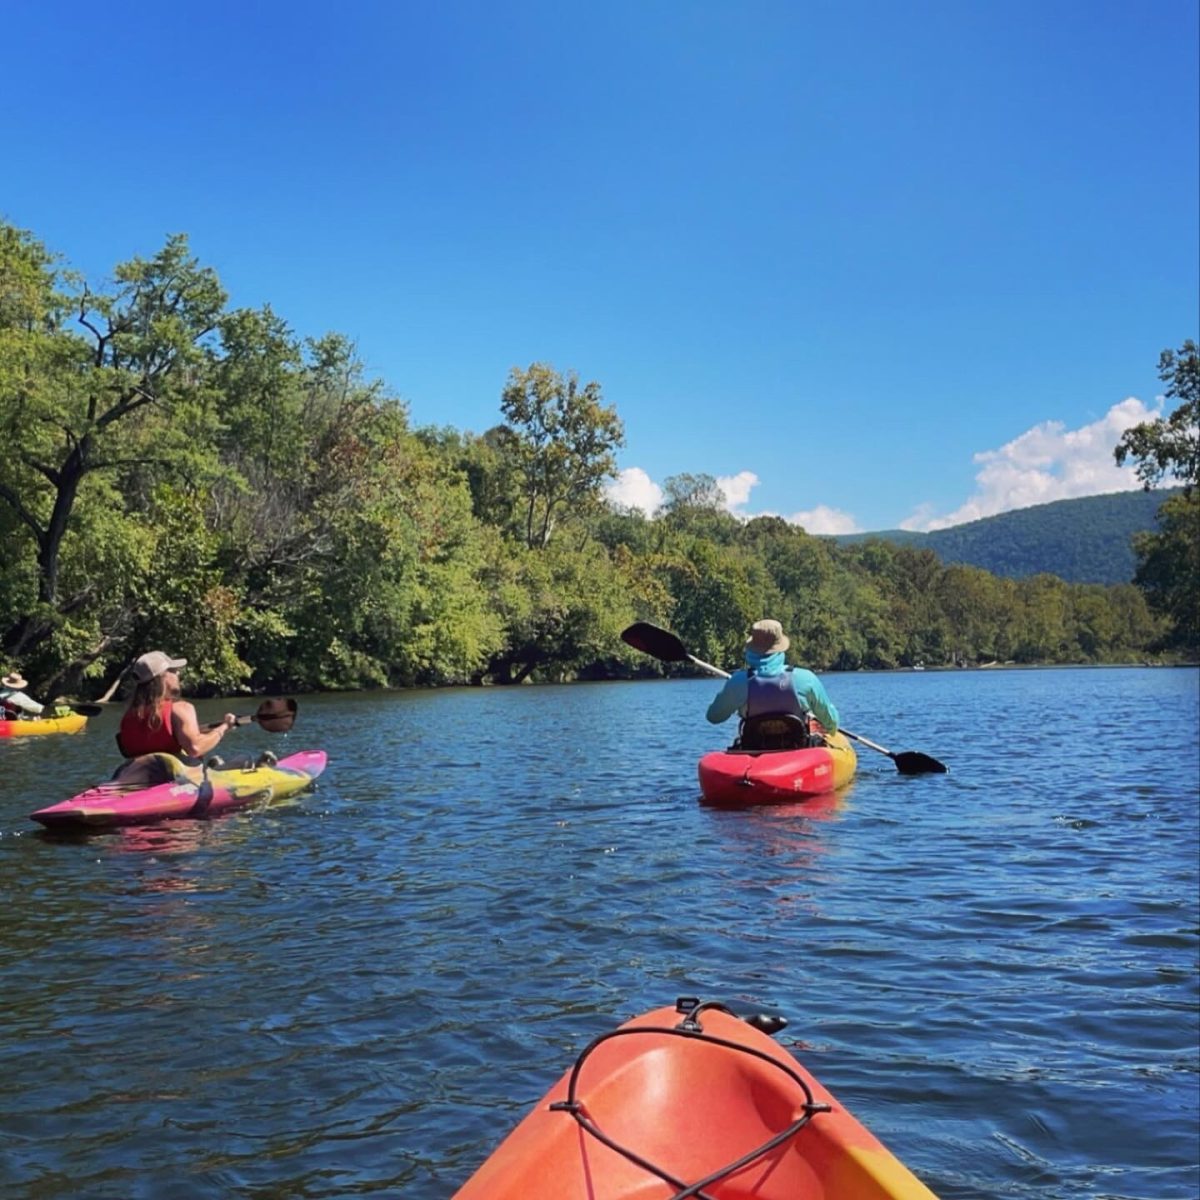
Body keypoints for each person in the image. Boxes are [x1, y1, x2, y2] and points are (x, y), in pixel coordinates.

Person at [706, 619, 839, 740]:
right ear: (780, 648)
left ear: (752, 648)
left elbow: (713, 717)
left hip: (755, 746)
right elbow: (832, 723)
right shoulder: (805, 678)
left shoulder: (738, 681)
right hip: (795, 745)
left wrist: (732, 694)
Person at [116, 651, 238, 763]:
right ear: (163, 676)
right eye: (173, 670)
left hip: (139, 778)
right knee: (243, 759)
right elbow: (195, 748)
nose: (178, 673)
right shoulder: (181, 708)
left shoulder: (128, 717)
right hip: (173, 779)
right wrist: (225, 727)